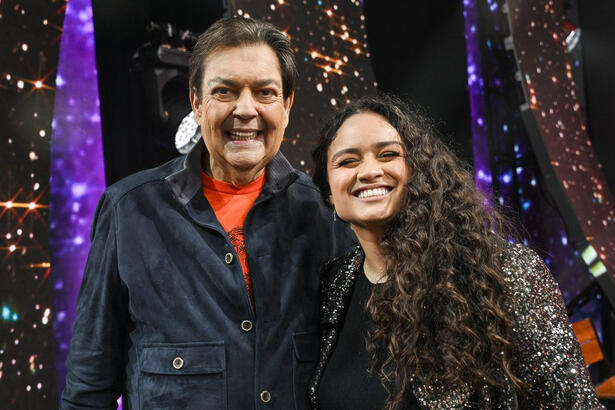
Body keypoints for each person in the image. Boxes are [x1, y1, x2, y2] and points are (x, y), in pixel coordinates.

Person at [61, 17, 355, 409]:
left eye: (265, 92)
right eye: (225, 91)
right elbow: (88, 386)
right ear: (197, 103)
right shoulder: (129, 210)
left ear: (286, 106)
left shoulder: (326, 211)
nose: (245, 110)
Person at [308, 94, 603, 409]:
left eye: (388, 154)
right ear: (328, 192)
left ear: (418, 171)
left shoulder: (502, 271)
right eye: (347, 161)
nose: (368, 171)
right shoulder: (332, 286)